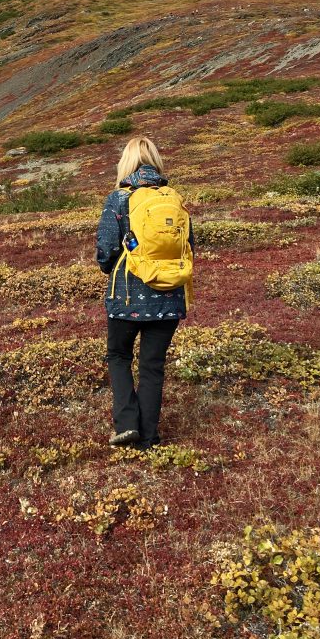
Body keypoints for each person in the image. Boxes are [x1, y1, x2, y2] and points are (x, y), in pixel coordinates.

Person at [95, 136, 194, 450]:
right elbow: (189, 245)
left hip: (127, 296)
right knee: (153, 365)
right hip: (170, 295)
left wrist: (111, 265)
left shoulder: (119, 198)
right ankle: (148, 438)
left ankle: (127, 424)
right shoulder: (173, 198)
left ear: (126, 162)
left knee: (119, 356)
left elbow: (106, 251)